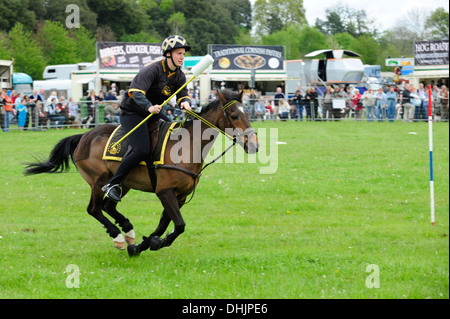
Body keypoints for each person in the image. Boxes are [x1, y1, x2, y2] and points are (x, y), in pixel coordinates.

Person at [102, 35, 192, 202]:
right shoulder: (152, 70)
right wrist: (149, 106)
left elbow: (183, 95)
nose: (182, 57)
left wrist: (185, 103)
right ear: (168, 54)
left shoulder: (179, 75)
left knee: (173, 132)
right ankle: (113, 184)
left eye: (183, 54)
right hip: (133, 113)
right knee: (142, 149)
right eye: (179, 53)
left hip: (153, 113)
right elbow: (136, 92)